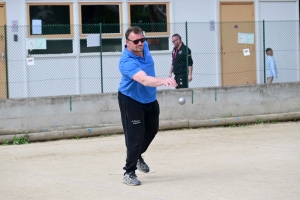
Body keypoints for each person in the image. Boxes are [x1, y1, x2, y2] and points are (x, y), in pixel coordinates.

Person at [118, 26, 178, 186]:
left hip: (149, 98)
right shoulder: (126, 62)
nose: (140, 43)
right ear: (127, 42)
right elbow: (144, 80)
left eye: (142, 40)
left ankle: (137, 155)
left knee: (152, 130)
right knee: (135, 136)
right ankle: (129, 172)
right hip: (131, 100)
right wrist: (163, 80)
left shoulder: (144, 46)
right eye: (136, 41)